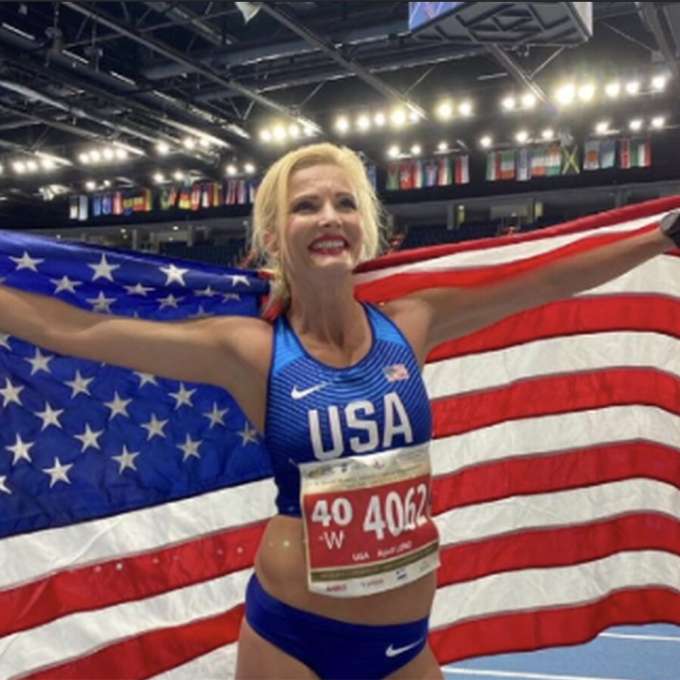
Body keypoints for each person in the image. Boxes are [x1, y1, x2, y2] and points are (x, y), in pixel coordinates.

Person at [0, 143, 678, 679]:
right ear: (275, 234)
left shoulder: (414, 322)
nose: (328, 216)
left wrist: (658, 239)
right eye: (306, 206)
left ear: (366, 227)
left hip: (405, 641)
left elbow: (547, 280)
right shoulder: (250, 351)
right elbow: (78, 332)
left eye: (343, 203)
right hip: (294, 638)